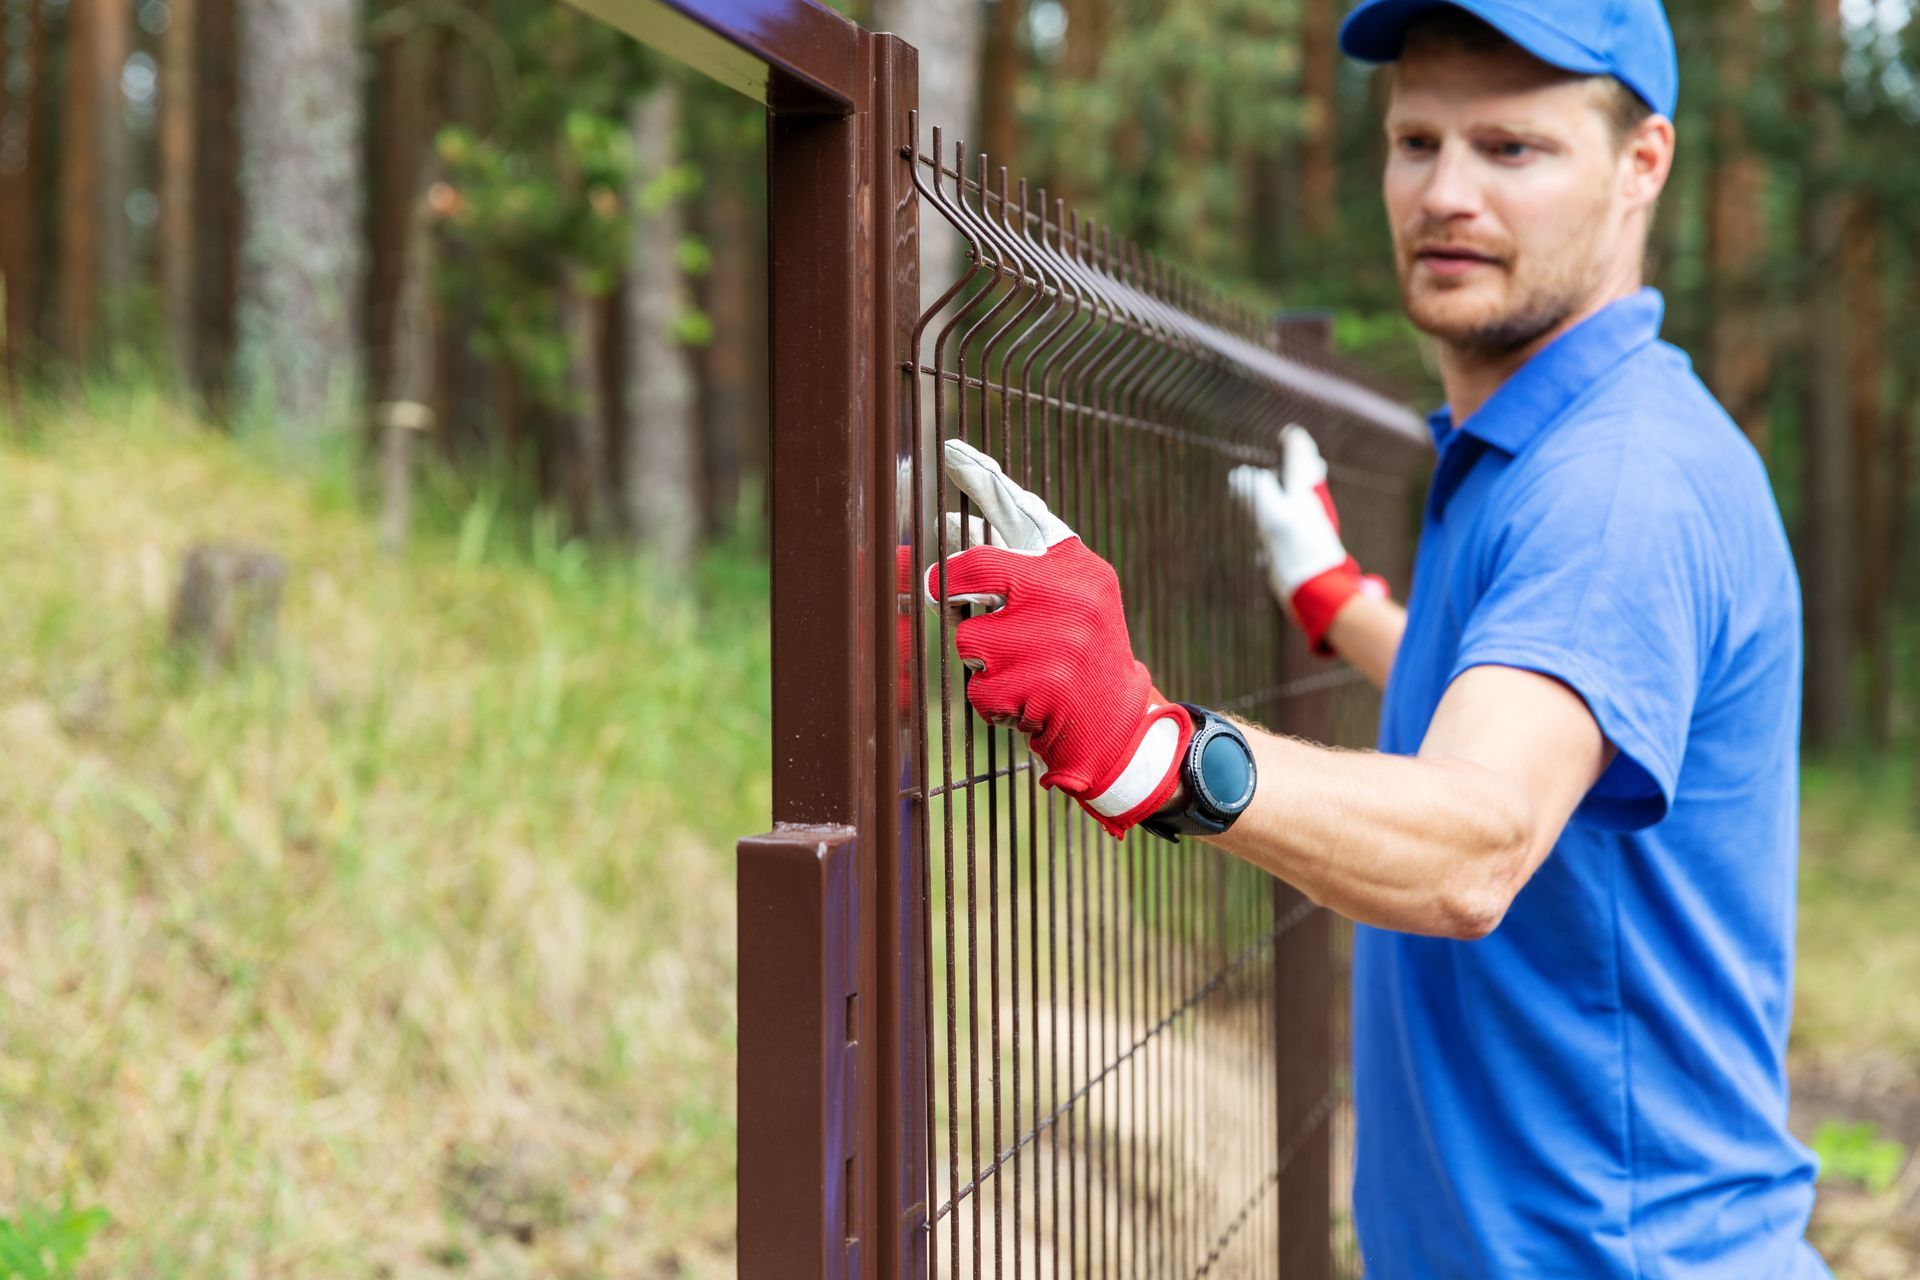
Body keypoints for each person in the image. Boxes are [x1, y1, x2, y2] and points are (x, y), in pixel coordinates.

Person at [916, 0, 1830, 1275]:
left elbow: (1483, 839)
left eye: (1513, 149)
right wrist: (1341, 603)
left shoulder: (1615, 484)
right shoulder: (1527, 443)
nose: (1448, 192)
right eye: (1417, 142)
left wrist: (1156, 746)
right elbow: (1524, 708)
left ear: (1643, 165)